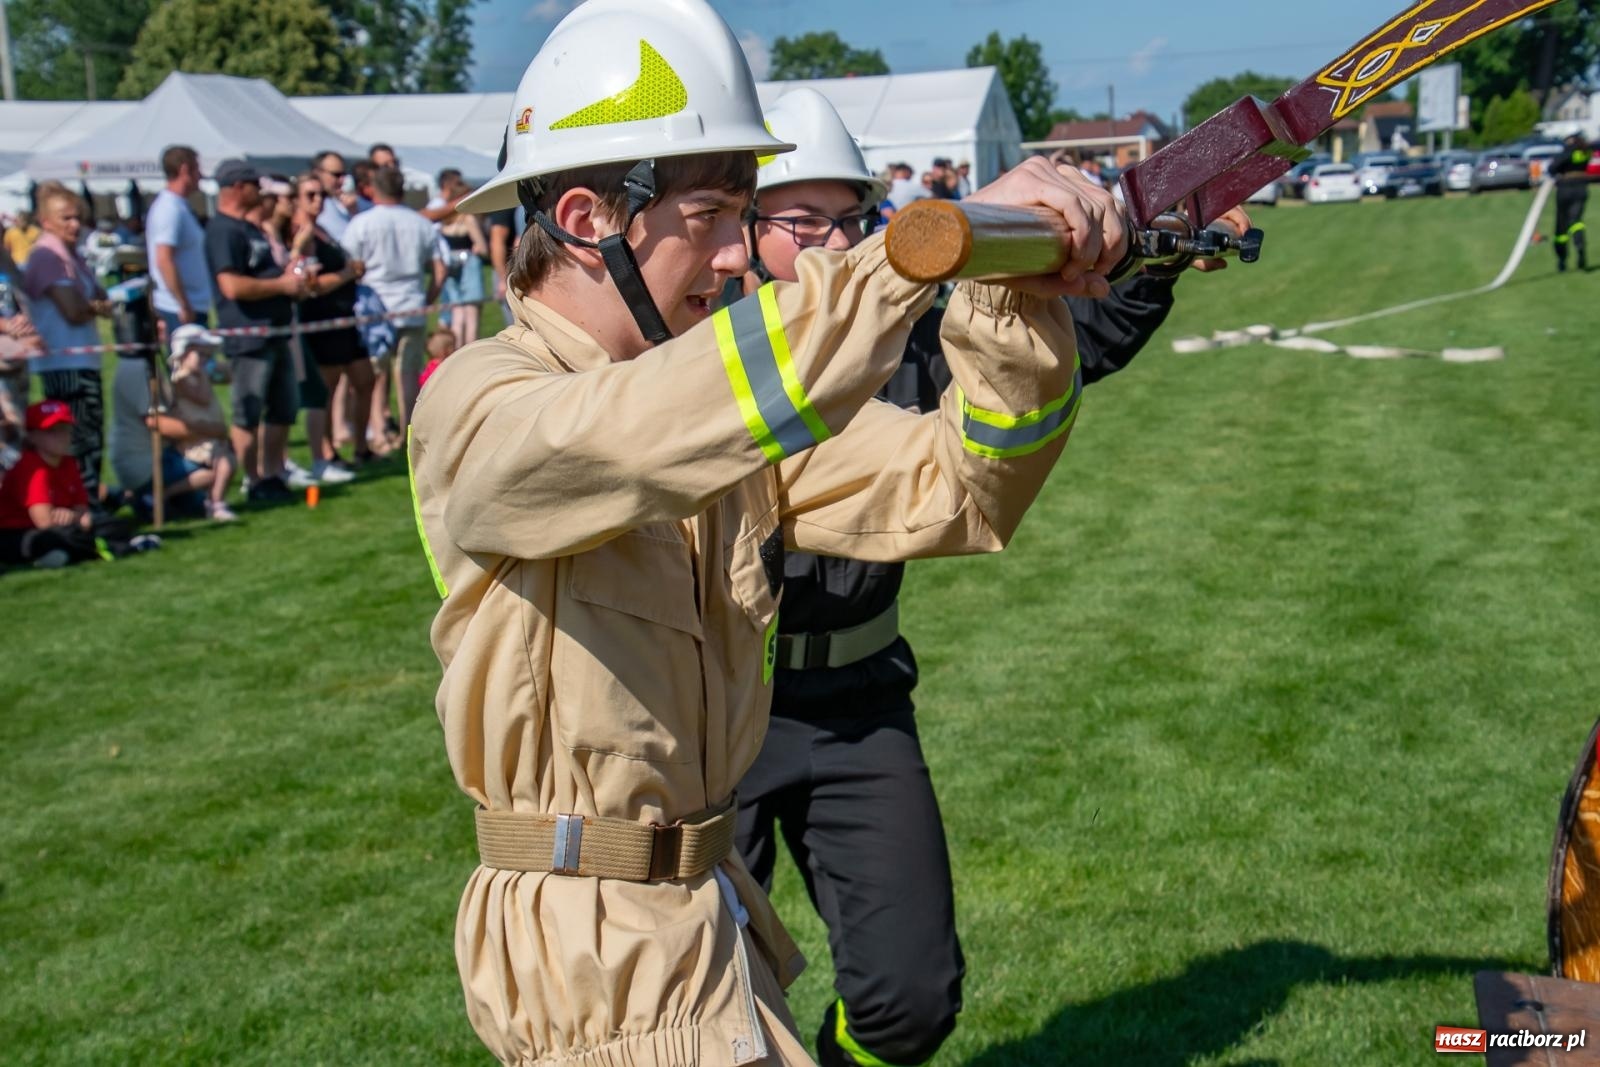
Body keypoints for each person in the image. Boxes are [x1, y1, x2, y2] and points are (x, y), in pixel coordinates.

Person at [409, 1, 1128, 1063]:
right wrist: (908, 254)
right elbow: (638, 431)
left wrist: (1006, 300)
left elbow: (961, 487)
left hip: (705, 921)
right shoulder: (484, 397)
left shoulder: (703, 407)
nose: (739, 255)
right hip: (593, 952)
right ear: (587, 215)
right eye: (710, 213)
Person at [733, 87, 1250, 1066]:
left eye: (845, 215)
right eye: (797, 217)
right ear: (740, 223)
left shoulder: (892, 334)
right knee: (709, 997)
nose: (825, 238)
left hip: (857, 698)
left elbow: (1050, 351)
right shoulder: (697, 358)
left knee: (910, 1000)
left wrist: (1148, 253)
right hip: (712, 706)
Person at [205, 158, 309, 504]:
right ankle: (251, 480)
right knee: (248, 412)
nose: (259, 192)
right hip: (248, 336)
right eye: (254, 185)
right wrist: (281, 286)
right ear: (238, 187)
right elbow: (231, 285)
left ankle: (271, 473)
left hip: (275, 331)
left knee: (283, 408)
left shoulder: (250, 228)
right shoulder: (223, 230)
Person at [340, 166, 443, 441]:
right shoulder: (420, 223)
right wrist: (426, 299)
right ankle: (407, 434)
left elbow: (349, 264)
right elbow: (440, 269)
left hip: (375, 307)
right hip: (411, 303)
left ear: (374, 189)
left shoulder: (362, 222)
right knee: (407, 374)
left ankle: (379, 433)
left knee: (376, 375)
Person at [23, 183, 112, 499]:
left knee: (90, 437)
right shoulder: (48, 256)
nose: (75, 225)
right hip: (63, 362)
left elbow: (99, 297)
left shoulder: (72, 255)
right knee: (76, 440)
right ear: (46, 221)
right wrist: (96, 308)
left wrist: (97, 305)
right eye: (66, 218)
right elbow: (74, 310)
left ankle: (88, 501)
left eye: (78, 218)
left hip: (83, 359)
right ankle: (81, 504)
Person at [0, 399, 157, 568]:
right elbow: (44, 521)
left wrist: (73, 516)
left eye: (65, 430)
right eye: (52, 432)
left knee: (113, 524)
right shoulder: (31, 467)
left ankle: (71, 554)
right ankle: (110, 548)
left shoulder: (68, 463)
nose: (61, 437)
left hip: (65, 525)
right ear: (33, 436)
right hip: (22, 532)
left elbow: (82, 509)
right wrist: (75, 518)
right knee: (55, 538)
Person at [290, 173, 370, 474]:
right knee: (329, 387)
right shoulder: (302, 233)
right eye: (309, 195)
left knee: (365, 379)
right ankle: (326, 452)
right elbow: (310, 285)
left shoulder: (320, 229)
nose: (317, 200)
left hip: (344, 315)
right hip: (321, 318)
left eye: (320, 195)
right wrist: (348, 274)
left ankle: (362, 447)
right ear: (297, 198)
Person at [165, 324, 238, 521]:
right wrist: (206, 374)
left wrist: (214, 366)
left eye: (208, 356)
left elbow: (230, 376)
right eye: (201, 356)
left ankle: (211, 499)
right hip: (198, 440)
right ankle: (215, 503)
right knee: (223, 466)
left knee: (228, 463)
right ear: (183, 354)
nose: (206, 361)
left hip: (212, 436)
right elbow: (203, 397)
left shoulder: (199, 375)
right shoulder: (181, 379)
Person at [146, 145, 213, 342]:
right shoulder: (169, 209)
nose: (201, 175)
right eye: (197, 169)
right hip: (180, 309)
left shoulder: (179, 206)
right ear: (185, 170)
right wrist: (182, 303)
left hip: (191, 304)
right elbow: (164, 259)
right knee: (187, 370)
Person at [430, 169, 489, 348]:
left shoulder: (445, 222)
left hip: (451, 263)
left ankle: (456, 353)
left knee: (457, 314)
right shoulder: (468, 219)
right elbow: (484, 249)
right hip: (469, 262)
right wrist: (479, 247)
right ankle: (471, 353)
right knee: (471, 315)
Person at [1552, 132, 1591, 273]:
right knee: (1576, 221)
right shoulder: (1585, 150)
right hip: (1581, 189)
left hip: (1565, 189)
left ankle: (1562, 259)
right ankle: (1580, 246)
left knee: (1561, 226)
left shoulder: (1568, 151)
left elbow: (1553, 167)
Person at [312, 151, 356, 241]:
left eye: (344, 174)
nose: (342, 180)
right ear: (318, 173)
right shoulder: (310, 204)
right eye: (336, 175)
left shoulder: (349, 203)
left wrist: (353, 212)